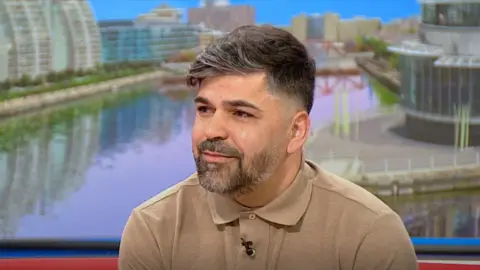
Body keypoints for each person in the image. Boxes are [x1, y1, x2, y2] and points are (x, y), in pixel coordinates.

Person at [118, 25, 418, 270]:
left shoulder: (371, 236)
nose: (211, 130)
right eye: (205, 110)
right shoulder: (154, 229)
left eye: (241, 113)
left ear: (296, 130)